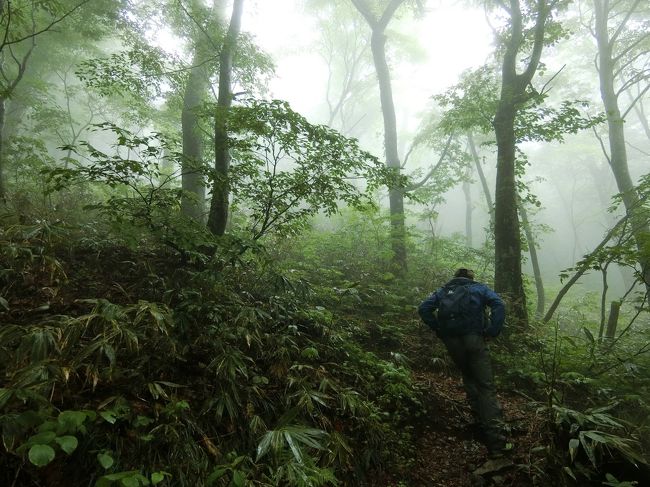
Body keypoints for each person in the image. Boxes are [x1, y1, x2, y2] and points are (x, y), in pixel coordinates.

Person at [417, 268, 508, 458]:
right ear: (470, 278)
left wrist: (438, 329)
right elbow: (498, 304)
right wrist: (493, 330)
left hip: (452, 341)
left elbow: (424, 308)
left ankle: (479, 421)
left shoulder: (444, 290)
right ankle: (497, 443)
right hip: (474, 338)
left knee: (468, 375)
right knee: (485, 386)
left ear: (455, 277)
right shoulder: (479, 288)